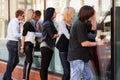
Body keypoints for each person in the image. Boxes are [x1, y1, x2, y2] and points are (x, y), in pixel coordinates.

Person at [67, 5, 105, 80]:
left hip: (83, 57)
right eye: (92, 14)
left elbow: (93, 27)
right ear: (87, 14)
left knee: (88, 77)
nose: (93, 16)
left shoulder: (83, 23)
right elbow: (84, 43)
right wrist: (98, 43)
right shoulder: (79, 24)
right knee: (76, 78)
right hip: (77, 57)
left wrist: (94, 17)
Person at [3, 10, 24, 80]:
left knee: (16, 60)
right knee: (11, 60)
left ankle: (6, 75)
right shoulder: (15, 22)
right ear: (19, 15)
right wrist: (23, 34)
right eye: (23, 16)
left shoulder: (15, 22)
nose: (23, 17)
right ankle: (7, 77)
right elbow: (15, 34)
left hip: (13, 43)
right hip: (12, 43)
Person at [40, 7, 59, 80]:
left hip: (47, 46)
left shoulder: (49, 22)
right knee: (44, 67)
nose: (56, 14)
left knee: (44, 67)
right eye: (54, 12)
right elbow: (52, 35)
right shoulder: (48, 23)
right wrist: (61, 33)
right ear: (51, 13)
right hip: (46, 46)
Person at [57, 7, 75, 80]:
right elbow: (68, 36)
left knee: (70, 71)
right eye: (73, 13)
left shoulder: (71, 23)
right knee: (67, 71)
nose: (74, 14)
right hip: (63, 48)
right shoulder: (62, 22)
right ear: (69, 14)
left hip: (70, 48)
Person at [20, 9, 35, 80]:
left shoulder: (30, 23)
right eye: (33, 13)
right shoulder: (27, 23)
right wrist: (22, 47)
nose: (34, 15)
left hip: (30, 44)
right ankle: (25, 78)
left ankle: (25, 78)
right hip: (27, 44)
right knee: (29, 61)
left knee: (27, 61)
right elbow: (23, 36)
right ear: (31, 14)